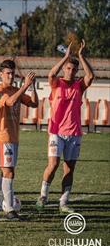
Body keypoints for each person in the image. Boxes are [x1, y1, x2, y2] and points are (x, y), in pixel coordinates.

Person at [36, 40, 94, 213]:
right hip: (56, 132)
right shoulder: (57, 83)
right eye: (68, 68)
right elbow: (51, 74)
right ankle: (43, 196)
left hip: (74, 132)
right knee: (53, 164)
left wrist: (81, 56)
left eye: (74, 69)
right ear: (64, 69)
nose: (71, 71)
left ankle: (63, 202)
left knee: (69, 169)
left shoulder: (79, 86)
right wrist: (66, 57)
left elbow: (90, 76)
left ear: (77, 71)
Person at [0, 60, 38, 219]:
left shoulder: (16, 89)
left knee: (5, 173)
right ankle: (9, 209)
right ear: (1, 74)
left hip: (14, 136)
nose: (10, 76)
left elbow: (34, 103)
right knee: (9, 172)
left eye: (12, 73)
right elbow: (10, 101)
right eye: (7, 73)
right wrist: (25, 86)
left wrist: (32, 86)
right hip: (2, 136)